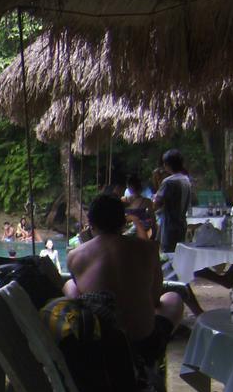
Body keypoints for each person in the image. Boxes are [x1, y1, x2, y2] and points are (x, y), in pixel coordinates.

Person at [65, 194, 184, 368]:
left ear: (91, 224)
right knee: (173, 298)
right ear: (123, 221)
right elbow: (154, 300)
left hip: (100, 345)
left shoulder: (75, 256)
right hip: (143, 345)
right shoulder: (149, 249)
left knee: (70, 285)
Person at [153, 149, 191, 253]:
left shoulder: (169, 182)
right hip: (182, 224)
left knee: (167, 256)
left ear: (167, 165)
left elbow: (156, 204)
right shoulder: (186, 180)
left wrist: (156, 181)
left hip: (169, 227)